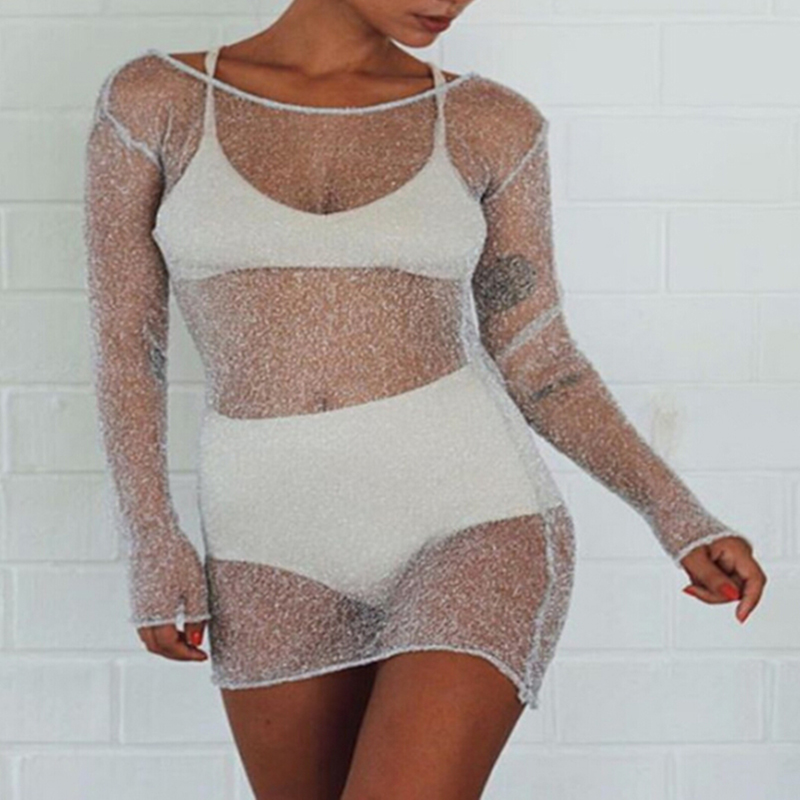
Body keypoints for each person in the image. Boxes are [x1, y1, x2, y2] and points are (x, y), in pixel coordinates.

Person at [83, 1, 768, 798]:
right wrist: (151, 537)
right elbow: (127, 346)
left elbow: (539, 356)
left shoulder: (489, 122)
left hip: (472, 522)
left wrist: (681, 518)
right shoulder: (154, 101)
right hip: (265, 543)